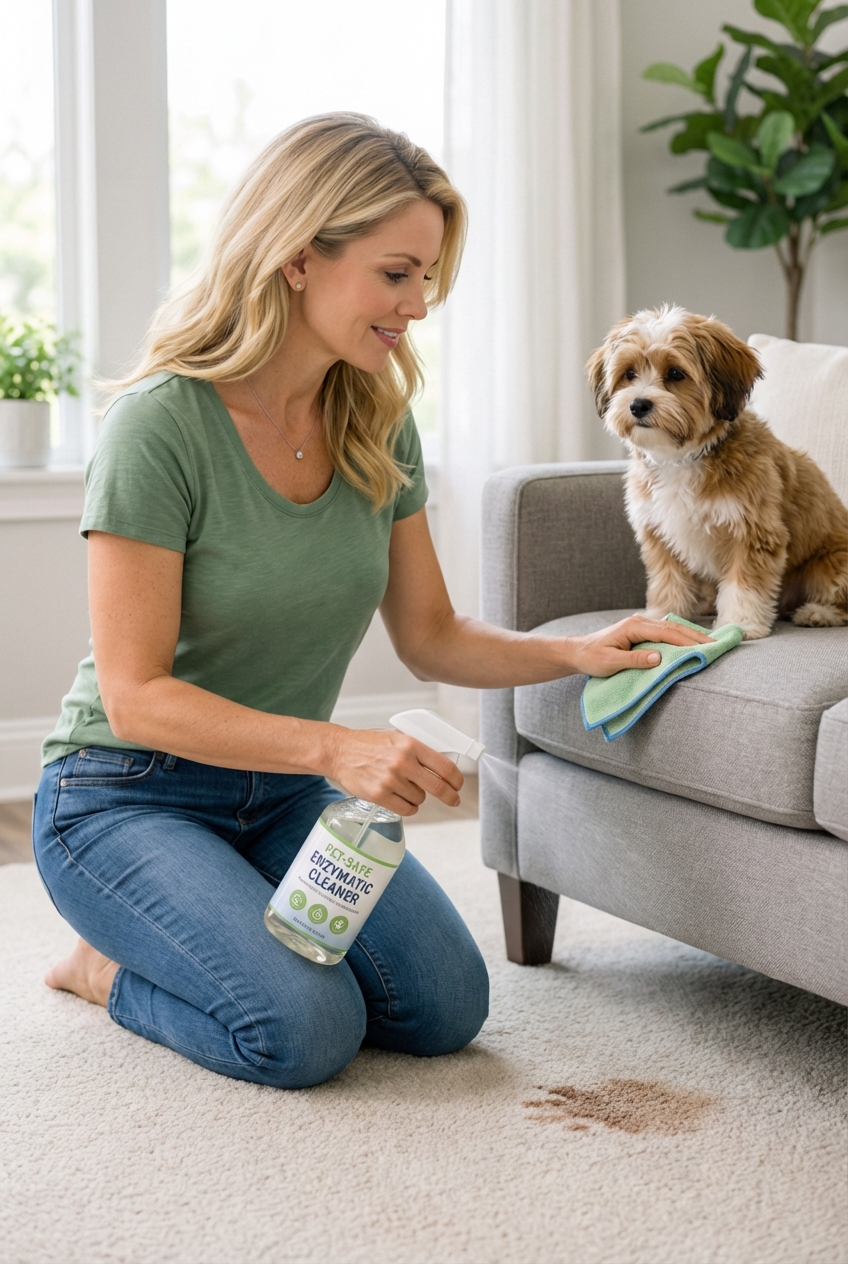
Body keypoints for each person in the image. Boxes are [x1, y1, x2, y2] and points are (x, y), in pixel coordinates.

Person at [33, 114, 711, 1089]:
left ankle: (219, 918)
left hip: (274, 798)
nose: (417, 306)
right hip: (125, 796)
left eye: (426, 278)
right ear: (300, 256)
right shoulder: (162, 427)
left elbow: (431, 636)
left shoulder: (375, 421)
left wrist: (581, 650)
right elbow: (137, 696)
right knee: (305, 1029)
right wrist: (334, 748)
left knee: (442, 1006)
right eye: (395, 274)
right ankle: (105, 969)